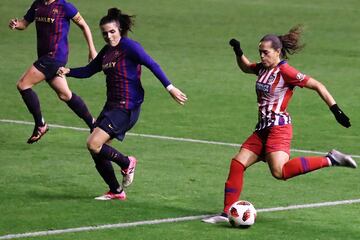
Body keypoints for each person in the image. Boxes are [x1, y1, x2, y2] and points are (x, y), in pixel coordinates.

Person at [202, 25, 357, 224]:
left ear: (277, 51)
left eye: (265, 52)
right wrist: (238, 51)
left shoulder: (286, 71)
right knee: (237, 163)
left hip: (278, 128)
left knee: (280, 172)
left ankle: (331, 159)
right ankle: (225, 213)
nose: (262, 56)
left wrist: (336, 110)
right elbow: (245, 67)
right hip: (262, 129)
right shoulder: (262, 68)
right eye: (260, 52)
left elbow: (317, 85)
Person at [57, 8, 187, 200]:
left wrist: (170, 88)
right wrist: (68, 71)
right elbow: (89, 70)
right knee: (98, 151)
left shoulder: (130, 47)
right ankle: (116, 191)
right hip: (111, 106)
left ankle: (127, 163)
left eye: (112, 31)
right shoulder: (107, 52)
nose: (108, 36)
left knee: (93, 143)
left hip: (127, 106)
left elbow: (153, 64)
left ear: (119, 30)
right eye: (104, 33)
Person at [9, 0, 97, 144]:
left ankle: (40, 124)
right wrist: (16, 24)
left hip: (54, 57)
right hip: (45, 57)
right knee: (65, 94)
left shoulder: (65, 7)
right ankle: (93, 125)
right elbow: (24, 23)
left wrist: (92, 49)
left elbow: (84, 26)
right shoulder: (37, 4)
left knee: (23, 85)